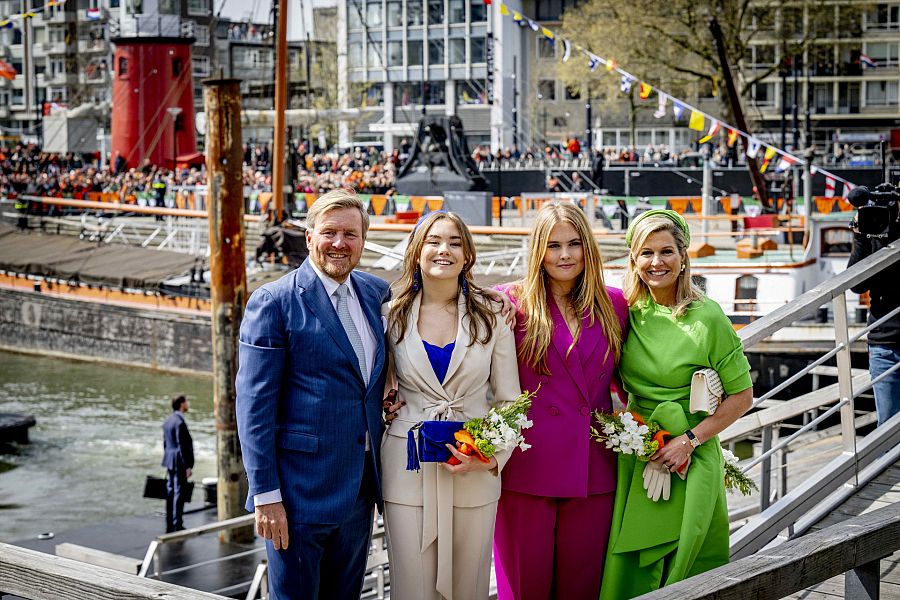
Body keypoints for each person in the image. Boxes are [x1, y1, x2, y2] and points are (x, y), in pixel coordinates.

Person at [236, 189, 391, 599]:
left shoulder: (377, 294)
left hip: (359, 494)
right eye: (330, 232)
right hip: (296, 499)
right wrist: (266, 497)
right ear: (309, 237)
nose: (340, 243)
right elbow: (254, 409)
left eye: (351, 235)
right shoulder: (274, 302)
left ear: (363, 240)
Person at [600, 210, 753, 599]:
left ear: (683, 257)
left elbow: (742, 396)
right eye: (646, 253)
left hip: (690, 452)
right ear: (633, 259)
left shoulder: (709, 317)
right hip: (640, 449)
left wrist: (688, 440)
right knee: (634, 566)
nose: (657, 262)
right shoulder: (625, 313)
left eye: (666, 251)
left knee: (687, 563)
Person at [381, 211, 521, 600]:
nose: (444, 250)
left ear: (467, 256)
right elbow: (377, 390)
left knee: (469, 586)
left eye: (455, 242)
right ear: (417, 251)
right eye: (434, 241)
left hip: (472, 465)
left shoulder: (493, 315)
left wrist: (491, 458)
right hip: (406, 466)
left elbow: (510, 401)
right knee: (411, 587)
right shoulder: (389, 316)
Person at [493, 202, 628, 599]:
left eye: (573, 244)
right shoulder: (508, 302)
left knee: (582, 589)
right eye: (553, 246)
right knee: (523, 589)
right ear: (538, 250)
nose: (564, 255)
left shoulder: (615, 304)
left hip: (593, 468)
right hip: (526, 467)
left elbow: (634, 376)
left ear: (587, 247)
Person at [848, 196, 900, 426]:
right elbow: (857, 285)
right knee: (887, 428)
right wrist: (860, 236)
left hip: (884, 342)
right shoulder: (873, 233)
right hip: (884, 344)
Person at [162, 394, 194, 533]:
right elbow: (182, 446)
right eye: (186, 401)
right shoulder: (180, 422)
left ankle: (169, 521)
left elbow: (165, 443)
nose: (188, 404)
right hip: (179, 461)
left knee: (170, 491)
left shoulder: (168, 421)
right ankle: (177, 523)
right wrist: (187, 465)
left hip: (169, 459)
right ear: (181, 404)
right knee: (179, 492)